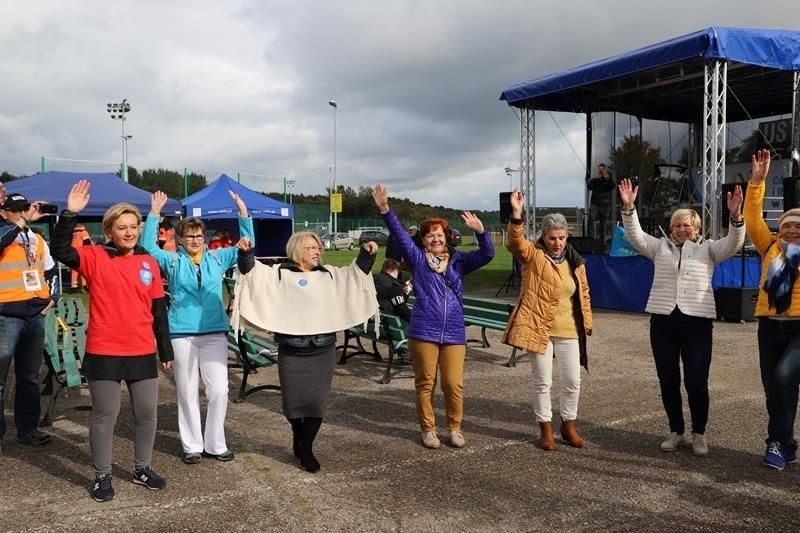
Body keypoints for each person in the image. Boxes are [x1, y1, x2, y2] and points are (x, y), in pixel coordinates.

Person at [50, 180, 174, 502]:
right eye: (122, 227)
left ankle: (141, 468)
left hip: (142, 350)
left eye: (134, 226)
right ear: (110, 230)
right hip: (104, 350)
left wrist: (165, 349)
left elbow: (158, 310)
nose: (130, 232)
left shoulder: (148, 262)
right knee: (106, 415)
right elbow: (60, 251)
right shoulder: (94, 257)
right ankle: (102, 476)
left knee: (147, 414)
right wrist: (69, 214)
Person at [232, 233, 379, 473]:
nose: (317, 251)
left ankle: (306, 449)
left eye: (318, 247)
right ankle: (297, 432)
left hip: (322, 350)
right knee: (292, 405)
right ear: (297, 250)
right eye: (311, 247)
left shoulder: (329, 275)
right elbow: (251, 272)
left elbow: (354, 275)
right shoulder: (279, 274)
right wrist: (246, 253)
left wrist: (367, 254)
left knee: (316, 403)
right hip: (292, 350)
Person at [619, 176, 744, 457]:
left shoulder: (709, 249)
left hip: (697, 324)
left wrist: (736, 217)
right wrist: (629, 208)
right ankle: (676, 431)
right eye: (676, 225)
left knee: (696, 381)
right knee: (668, 379)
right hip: (663, 322)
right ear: (670, 228)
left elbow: (734, 243)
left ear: (696, 227)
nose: (681, 229)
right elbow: (635, 234)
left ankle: (699, 433)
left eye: (687, 225)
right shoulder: (658, 247)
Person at [372, 184, 494, 449]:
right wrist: (385, 209)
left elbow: (488, 255)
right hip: (423, 331)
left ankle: (454, 428)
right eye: (430, 236)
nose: (435, 239)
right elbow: (400, 236)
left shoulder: (459, 262)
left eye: (439, 235)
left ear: (446, 237)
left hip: (453, 332)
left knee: (453, 384)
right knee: (425, 383)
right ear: (424, 241)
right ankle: (428, 429)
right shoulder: (417, 259)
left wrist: (481, 232)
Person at [143, 190, 252, 465]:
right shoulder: (173, 260)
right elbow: (148, 248)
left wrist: (243, 212)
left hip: (214, 332)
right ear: (180, 238)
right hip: (182, 334)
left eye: (199, 235)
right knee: (186, 389)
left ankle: (215, 443)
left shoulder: (218, 257)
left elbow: (247, 244)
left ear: (205, 237)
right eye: (189, 235)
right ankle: (192, 445)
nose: (194, 240)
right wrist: (154, 214)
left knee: (219, 390)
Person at [502, 190, 592, 450]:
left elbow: (583, 292)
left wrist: (587, 321)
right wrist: (516, 213)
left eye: (562, 237)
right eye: (552, 238)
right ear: (543, 236)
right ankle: (546, 428)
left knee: (572, 380)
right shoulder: (533, 255)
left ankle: (569, 425)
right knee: (543, 381)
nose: (557, 243)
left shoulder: (575, 261)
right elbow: (515, 242)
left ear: (567, 237)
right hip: (538, 328)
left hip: (569, 330)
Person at [744, 148, 800, 470]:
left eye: (797, 227)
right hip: (769, 327)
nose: (791, 231)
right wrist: (757, 183)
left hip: (799, 329)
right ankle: (787, 443)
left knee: (782, 377)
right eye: (787, 226)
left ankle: (776, 443)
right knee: (774, 389)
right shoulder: (769, 246)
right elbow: (752, 218)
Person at [0, 188, 59, 452]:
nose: (24, 213)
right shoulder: (4, 233)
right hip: (6, 315)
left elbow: (51, 268)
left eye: (26, 209)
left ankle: (28, 428)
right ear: (4, 213)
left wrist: (53, 297)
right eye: (18, 210)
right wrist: (22, 223)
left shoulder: (35, 239)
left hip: (35, 314)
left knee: (29, 376)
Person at [374, 258, 412, 324]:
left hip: (378, 321)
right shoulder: (393, 286)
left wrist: (405, 293)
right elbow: (402, 310)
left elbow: (392, 301)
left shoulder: (375, 280)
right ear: (395, 271)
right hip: (391, 324)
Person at [587, 163, 615, 244]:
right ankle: (590, 238)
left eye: (602, 170)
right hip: (595, 204)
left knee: (603, 223)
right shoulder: (595, 180)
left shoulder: (608, 180)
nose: (600, 171)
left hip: (604, 205)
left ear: (605, 170)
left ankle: (602, 241)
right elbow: (589, 186)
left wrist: (607, 178)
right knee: (591, 219)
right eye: (599, 169)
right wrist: (596, 178)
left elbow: (612, 186)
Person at [70, 223, 92, 291]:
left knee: (75, 269)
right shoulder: (83, 232)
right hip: (81, 252)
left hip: (73, 252)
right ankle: (87, 285)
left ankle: (74, 284)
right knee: (86, 268)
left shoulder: (73, 234)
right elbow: (87, 241)